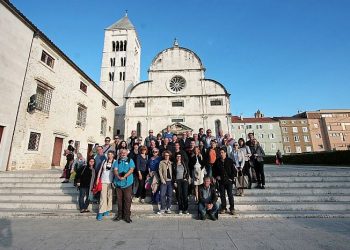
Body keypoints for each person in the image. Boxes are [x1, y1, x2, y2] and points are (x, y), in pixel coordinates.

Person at [113, 149, 135, 223]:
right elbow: (115, 170)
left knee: (127, 200)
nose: (123, 154)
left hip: (127, 183)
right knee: (119, 201)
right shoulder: (117, 161)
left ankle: (127, 216)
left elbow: (131, 170)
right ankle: (119, 215)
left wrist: (124, 176)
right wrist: (118, 176)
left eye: (124, 153)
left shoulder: (130, 160)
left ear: (127, 153)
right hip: (118, 183)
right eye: (121, 153)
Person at [213, 148, 235, 215]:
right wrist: (216, 176)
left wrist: (231, 178)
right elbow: (214, 170)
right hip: (221, 181)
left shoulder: (230, 160)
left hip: (228, 181)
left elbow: (234, 170)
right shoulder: (217, 161)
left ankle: (232, 208)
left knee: (230, 195)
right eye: (220, 153)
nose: (221, 154)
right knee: (222, 195)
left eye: (222, 152)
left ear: (225, 153)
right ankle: (223, 208)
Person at [95, 151, 115, 221]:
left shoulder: (115, 162)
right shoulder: (104, 161)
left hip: (110, 181)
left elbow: (116, 172)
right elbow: (100, 170)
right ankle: (100, 212)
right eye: (108, 154)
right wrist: (98, 179)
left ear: (113, 155)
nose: (109, 155)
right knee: (102, 197)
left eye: (111, 154)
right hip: (103, 180)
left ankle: (108, 209)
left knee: (109, 196)